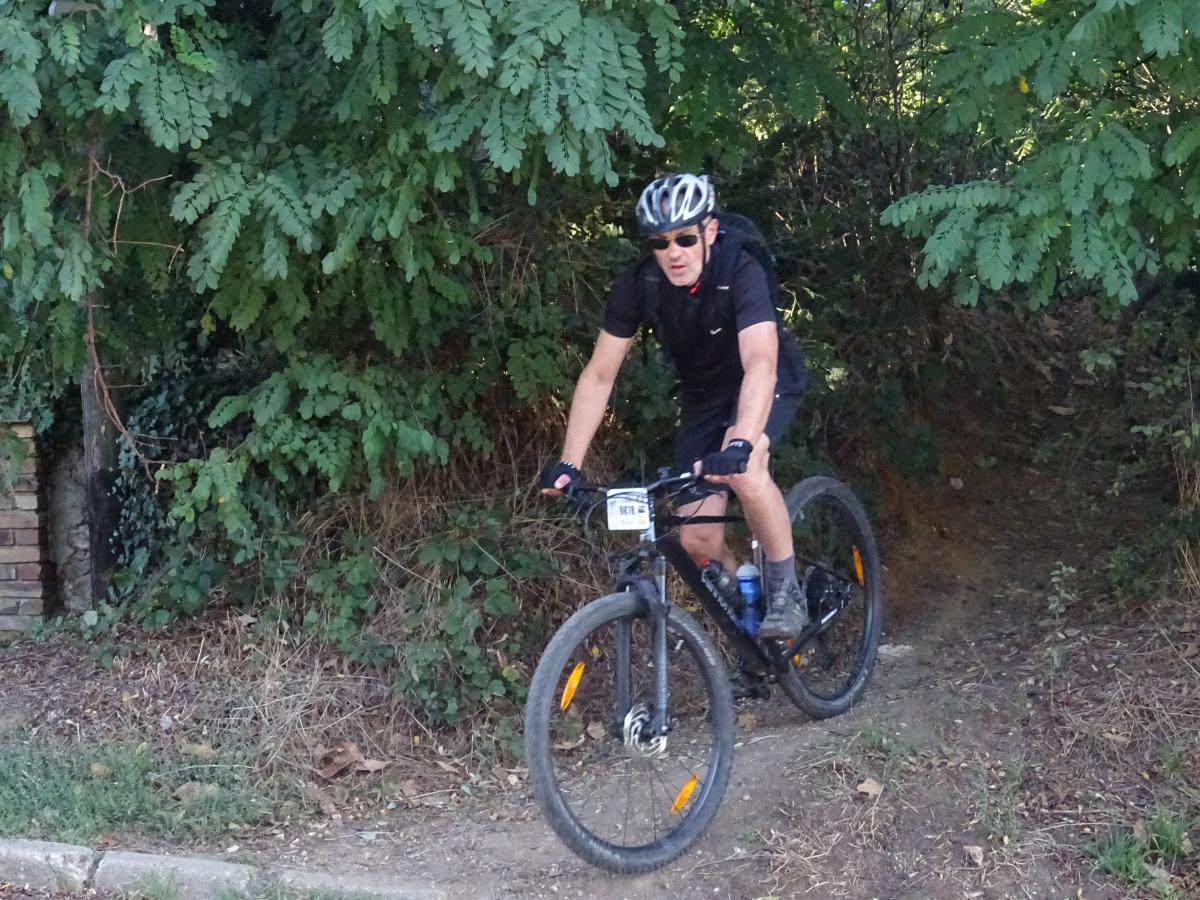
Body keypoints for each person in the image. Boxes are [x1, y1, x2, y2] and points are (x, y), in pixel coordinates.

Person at [539, 173, 810, 656]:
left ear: (709, 231)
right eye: (660, 242)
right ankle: (751, 621)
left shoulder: (740, 268)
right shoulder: (641, 283)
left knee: (746, 470)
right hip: (704, 395)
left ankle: (787, 589)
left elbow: (760, 362)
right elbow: (600, 375)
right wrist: (569, 465)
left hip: (765, 378)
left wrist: (741, 442)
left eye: (685, 238)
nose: (674, 252)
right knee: (696, 539)